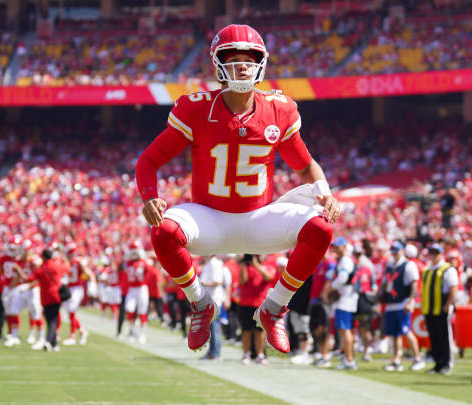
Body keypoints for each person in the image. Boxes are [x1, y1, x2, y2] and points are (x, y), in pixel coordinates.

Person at [135, 23, 339, 353]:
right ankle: (200, 303)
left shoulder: (279, 109)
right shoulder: (196, 108)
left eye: (250, 58)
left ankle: (274, 308)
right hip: (209, 218)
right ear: (217, 63)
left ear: (262, 62)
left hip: (259, 218)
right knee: (162, 232)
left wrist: (325, 192)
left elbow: (304, 166)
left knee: (321, 228)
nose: (242, 65)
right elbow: (148, 161)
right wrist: (149, 196)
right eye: (233, 57)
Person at [13, 248, 68, 352]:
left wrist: (19, 270)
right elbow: (66, 267)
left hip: (45, 297)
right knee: (53, 320)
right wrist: (62, 255)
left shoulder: (41, 269)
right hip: (56, 296)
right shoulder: (56, 266)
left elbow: (27, 279)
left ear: (43, 257)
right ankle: (53, 343)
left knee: (50, 321)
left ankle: (49, 341)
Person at [381, 241, 425, 371]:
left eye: (396, 250)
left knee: (406, 331)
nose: (394, 253)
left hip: (403, 302)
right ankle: (396, 359)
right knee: (394, 334)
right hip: (391, 302)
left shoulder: (408, 265)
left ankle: (417, 358)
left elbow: (414, 285)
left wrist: (411, 301)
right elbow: (386, 282)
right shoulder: (390, 265)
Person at [420, 243, 458, 375]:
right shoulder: (428, 269)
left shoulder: (447, 269)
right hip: (429, 308)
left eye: (436, 252)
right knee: (434, 337)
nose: (434, 255)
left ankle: (446, 363)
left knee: (444, 337)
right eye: (432, 252)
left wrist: (448, 304)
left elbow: (453, 287)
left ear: (441, 254)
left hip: (441, 307)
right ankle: (438, 363)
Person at [238, 254, 276, 365]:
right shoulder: (245, 267)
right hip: (245, 303)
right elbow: (242, 280)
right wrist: (244, 265)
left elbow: (268, 277)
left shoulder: (267, 266)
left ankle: (260, 355)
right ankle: (246, 354)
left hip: (260, 303)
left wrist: (255, 265)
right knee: (246, 330)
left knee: (259, 331)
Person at [329, 238, 359, 370]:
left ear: (344, 247)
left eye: (338, 246)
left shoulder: (345, 260)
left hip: (346, 298)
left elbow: (343, 278)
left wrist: (331, 287)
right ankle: (348, 358)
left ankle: (349, 359)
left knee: (345, 329)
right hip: (347, 297)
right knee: (344, 329)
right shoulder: (344, 260)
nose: (335, 248)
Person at [199, 255, 232, 360]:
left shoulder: (213, 263)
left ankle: (215, 353)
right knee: (212, 328)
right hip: (211, 299)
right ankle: (212, 352)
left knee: (214, 328)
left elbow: (217, 281)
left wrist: (201, 283)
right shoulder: (212, 263)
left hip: (214, 300)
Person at [62, 244, 95, 345]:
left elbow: (88, 273)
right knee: (70, 313)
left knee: (71, 311)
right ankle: (82, 331)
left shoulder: (78, 262)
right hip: (69, 288)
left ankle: (72, 337)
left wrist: (92, 285)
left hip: (76, 288)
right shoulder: (68, 263)